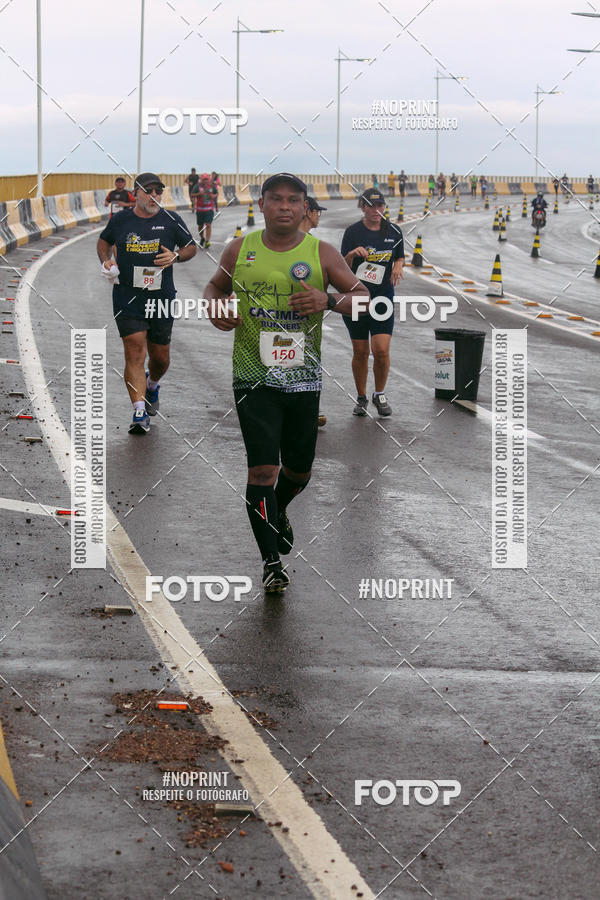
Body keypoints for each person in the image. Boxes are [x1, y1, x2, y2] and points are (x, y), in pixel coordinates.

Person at [204, 173, 369, 592]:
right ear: (261, 205)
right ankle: (271, 562)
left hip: (302, 381)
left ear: (304, 208)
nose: (283, 207)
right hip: (251, 376)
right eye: (275, 199)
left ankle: (278, 509)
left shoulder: (322, 253)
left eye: (293, 201)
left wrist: (328, 300)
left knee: (298, 472)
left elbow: (364, 297)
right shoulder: (240, 249)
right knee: (262, 469)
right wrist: (213, 307)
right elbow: (213, 286)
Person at [97, 173, 196, 434]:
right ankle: (139, 412)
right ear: (136, 193)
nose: (154, 196)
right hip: (128, 296)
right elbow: (103, 242)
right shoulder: (121, 220)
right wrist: (107, 261)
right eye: (149, 191)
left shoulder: (171, 219)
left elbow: (191, 247)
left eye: (158, 192)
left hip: (161, 297)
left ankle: (152, 386)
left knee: (160, 358)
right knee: (134, 350)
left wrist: (176, 256)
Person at [340, 187, 405, 418]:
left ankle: (380, 393)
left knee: (381, 350)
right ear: (362, 207)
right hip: (357, 298)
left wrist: (398, 264)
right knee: (360, 351)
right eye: (371, 206)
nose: (376, 210)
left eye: (380, 206)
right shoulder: (352, 233)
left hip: (382, 299)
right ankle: (361, 397)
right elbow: (341, 269)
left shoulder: (394, 231)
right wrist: (351, 256)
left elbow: (400, 255)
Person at [299, 196, 328, 428]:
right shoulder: (310, 246)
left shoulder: (314, 246)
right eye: (318, 211)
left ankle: (309, 408)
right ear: (308, 211)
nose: (319, 216)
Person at [192, 173, 218, 248]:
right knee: (200, 226)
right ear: (202, 180)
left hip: (209, 210)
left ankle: (207, 241)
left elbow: (216, 194)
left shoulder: (212, 186)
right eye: (204, 180)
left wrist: (212, 196)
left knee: (208, 225)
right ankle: (202, 238)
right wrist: (199, 194)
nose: (205, 181)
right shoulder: (197, 186)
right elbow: (192, 195)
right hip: (200, 210)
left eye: (207, 179)